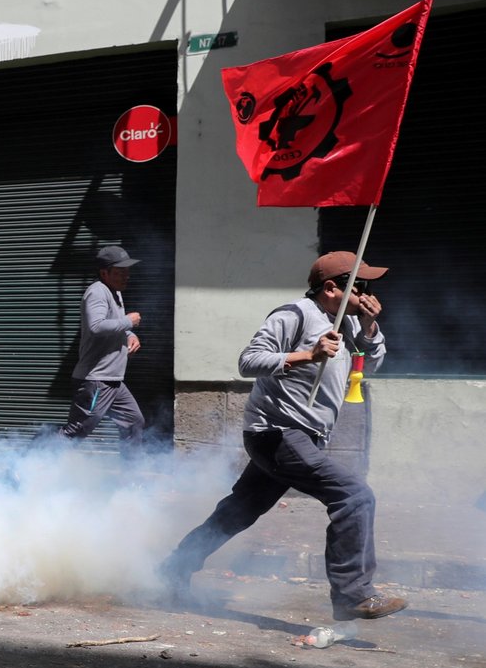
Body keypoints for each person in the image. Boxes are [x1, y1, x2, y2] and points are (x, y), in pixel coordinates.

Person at [159, 251, 408, 621]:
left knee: (239, 511)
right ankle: (352, 594)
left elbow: (371, 363)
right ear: (330, 288)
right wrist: (308, 354)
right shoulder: (294, 315)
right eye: (360, 286)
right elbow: (248, 361)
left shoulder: (350, 323)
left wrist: (371, 329)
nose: (366, 293)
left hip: (301, 437)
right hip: (276, 433)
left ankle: (173, 569)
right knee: (354, 495)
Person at [56, 245, 145, 446]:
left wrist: (130, 334)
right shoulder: (97, 292)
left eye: (127, 270)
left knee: (133, 422)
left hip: (113, 380)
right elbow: (96, 326)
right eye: (120, 272)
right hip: (96, 380)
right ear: (104, 273)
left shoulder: (115, 292)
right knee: (76, 431)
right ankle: (29, 464)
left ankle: (129, 475)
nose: (126, 276)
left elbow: (114, 322)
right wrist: (129, 322)